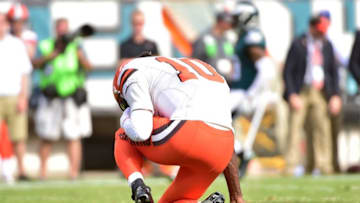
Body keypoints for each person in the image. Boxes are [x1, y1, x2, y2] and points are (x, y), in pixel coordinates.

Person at [113, 52, 245, 203]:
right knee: (179, 199)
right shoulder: (198, 69)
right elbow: (228, 138)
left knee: (123, 135)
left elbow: (139, 132)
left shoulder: (130, 69)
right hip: (222, 147)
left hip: (188, 133)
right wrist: (236, 196)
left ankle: (138, 186)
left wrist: (126, 116)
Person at [32, 18, 92, 180]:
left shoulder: (75, 46)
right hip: (52, 96)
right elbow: (35, 64)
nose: (63, 32)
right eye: (60, 29)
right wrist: (52, 55)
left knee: (74, 136)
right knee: (47, 136)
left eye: (65, 29)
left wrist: (80, 55)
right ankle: (42, 173)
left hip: (72, 96)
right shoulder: (46, 45)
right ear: (55, 30)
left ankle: (73, 173)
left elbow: (88, 67)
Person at [283, 13, 342, 176]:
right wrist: (292, 94)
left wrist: (335, 95)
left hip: (320, 91)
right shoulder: (298, 43)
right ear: (312, 27)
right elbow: (288, 71)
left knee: (322, 128)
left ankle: (323, 165)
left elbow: (333, 71)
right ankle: (290, 165)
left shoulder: (327, 45)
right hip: (301, 90)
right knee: (295, 128)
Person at [229, 0, 276, 176]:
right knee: (222, 123)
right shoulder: (242, 36)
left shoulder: (252, 36)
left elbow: (266, 69)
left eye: (236, 18)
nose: (233, 22)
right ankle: (242, 152)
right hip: (238, 90)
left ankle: (241, 153)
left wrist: (253, 93)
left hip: (243, 91)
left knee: (217, 118)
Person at [0, 12, 32, 181]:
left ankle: (21, 170)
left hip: (14, 95)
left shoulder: (17, 44)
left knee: (18, 136)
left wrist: (23, 97)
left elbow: (24, 73)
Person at [192, 10, 234, 81]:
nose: (229, 25)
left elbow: (230, 57)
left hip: (226, 81)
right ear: (220, 22)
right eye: (228, 22)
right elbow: (195, 59)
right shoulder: (205, 37)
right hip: (208, 80)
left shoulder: (227, 39)